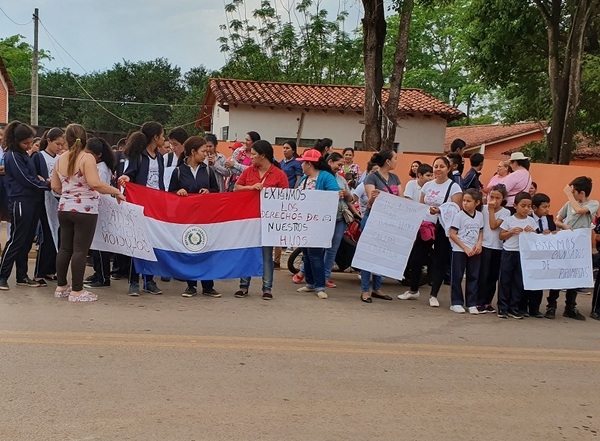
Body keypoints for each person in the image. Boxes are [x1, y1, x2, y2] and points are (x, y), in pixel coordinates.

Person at [51, 124, 125, 302]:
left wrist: (70, 193)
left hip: (64, 208)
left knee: (65, 248)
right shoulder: (87, 158)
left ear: (66, 140)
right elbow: (95, 183)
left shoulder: (60, 159)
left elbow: (55, 186)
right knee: (80, 250)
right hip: (85, 209)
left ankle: (61, 286)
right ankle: (77, 291)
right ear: (85, 139)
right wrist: (115, 191)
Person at [400, 157, 462, 305]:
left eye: (441, 166)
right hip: (426, 226)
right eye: (436, 166)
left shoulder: (454, 187)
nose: (438, 169)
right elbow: (422, 205)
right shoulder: (428, 186)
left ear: (448, 169)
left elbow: (456, 209)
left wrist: (440, 210)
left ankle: (434, 295)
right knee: (416, 258)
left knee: (439, 260)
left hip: (443, 228)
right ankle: (413, 290)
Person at [234, 140, 288, 300]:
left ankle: (267, 287)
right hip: (249, 220)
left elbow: (286, 197)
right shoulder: (249, 172)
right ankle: (243, 286)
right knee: (248, 252)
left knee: (266, 255)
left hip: (268, 221)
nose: (251, 157)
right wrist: (251, 188)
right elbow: (236, 187)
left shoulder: (279, 174)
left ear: (263, 156)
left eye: (254, 154)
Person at [0, 122, 50, 290]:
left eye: (30, 142)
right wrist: (47, 185)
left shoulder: (23, 155)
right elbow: (25, 179)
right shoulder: (12, 155)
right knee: (17, 239)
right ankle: (2, 275)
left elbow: (31, 175)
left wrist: (41, 180)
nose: (29, 146)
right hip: (20, 201)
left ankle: (22, 275)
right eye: (26, 143)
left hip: (32, 200)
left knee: (27, 240)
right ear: (16, 141)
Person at [118, 121, 166, 296]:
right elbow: (129, 174)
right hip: (139, 205)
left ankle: (149, 280)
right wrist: (126, 178)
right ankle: (133, 281)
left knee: (152, 243)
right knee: (136, 243)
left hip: (155, 205)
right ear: (155, 137)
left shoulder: (159, 156)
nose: (164, 138)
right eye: (162, 135)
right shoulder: (138, 155)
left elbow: (159, 181)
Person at [169, 136, 220, 298]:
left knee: (206, 250)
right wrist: (178, 192)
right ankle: (191, 285)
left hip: (205, 217)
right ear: (193, 152)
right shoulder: (178, 171)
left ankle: (208, 285)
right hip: (186, 218)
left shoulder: (208, 171)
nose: (206, 153)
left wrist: (209, 192)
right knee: (190, 249)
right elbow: (170, 193)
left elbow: (216, 191)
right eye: (203, 151)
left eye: (207, 150)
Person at [552, 176, 599, 320]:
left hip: (579, 246)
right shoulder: (568, 204)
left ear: (582, 193)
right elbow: (557, 219)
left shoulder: (593, 204)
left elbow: (579, 210)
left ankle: (570, 306)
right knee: (558, 274)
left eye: (574, 192)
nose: (572, 195)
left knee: (574, 276)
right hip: (565, 243)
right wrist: (564, 225)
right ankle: (551, 306)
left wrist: (568, 193)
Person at [295, 149, 340, 300]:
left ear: (309, 164)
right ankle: (310, 283)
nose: (301, 166)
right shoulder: (304, 179)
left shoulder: (326, 177)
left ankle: (319, 286)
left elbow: (335, 196)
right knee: (307, 254)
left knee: (315, 255)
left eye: (303, 163)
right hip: (304, 222)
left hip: (318, 224)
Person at [359, 149, 401, 303]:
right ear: (388, 162)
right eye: (395, 158)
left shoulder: (395, 178)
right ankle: (365, 290)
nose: (397, 161)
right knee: (368, 255)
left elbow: (400, 199)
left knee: (381, 255)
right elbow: (370, 202)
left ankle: (377, 287)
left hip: (388, 222)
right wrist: (373, 198)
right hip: (373, 219)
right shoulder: (371, 177)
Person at [32, 127, 66, 285]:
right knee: (46, 234)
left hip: (57, 200)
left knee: (57, 235)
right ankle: (39, 271)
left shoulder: (60, 159)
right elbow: (35, 178)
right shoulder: (39, 157)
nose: (60, 147)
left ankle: (50, 269)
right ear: (49, 141)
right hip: (44, 200)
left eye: (62, 145)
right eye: (57, 144)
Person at [497, 192, 537, 319]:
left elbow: (536, 238)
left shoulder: (531, 221)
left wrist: (532, 232)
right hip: (509, 252)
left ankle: (514, 307)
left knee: (518, 282)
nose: (526, 209)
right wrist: (511, 232)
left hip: (523, 254)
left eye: (528, 206)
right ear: (515, 205)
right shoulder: (509, 220)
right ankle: (502, 308)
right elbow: (501, 236)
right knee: (505, 280)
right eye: (523, 205)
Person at [83, 137, 116, 289]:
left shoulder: (101, 169)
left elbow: (98, 187)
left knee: (100, 244)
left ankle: (103, 276)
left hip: (100, 208)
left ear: (98, 155)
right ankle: (98, 273)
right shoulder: (101, 166)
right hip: (98, 207)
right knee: (95, 243)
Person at [324, 152, 357, 288]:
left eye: (342, 165)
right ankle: (305, 272)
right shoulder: (321, 177)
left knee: (333, 249)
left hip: (340, 217)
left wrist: (347, 194)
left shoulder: (341, 180)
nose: (340, 167)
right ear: (330, 162)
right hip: (323, 219)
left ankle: (325, 276)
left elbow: (350, 200)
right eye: (339, 164)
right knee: (318, 248)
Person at [449, 188, 484, 314]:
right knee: (457, 276)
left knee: (473, 276)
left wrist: (479, 243)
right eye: (464, 200)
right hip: (460, 250)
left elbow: (480, 231)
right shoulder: (459, 216)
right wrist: (464, 248)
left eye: (468, 201)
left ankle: (471, 303)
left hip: (474, 251)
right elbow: (452, 234)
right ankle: (456, 302)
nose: (465, 203)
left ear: (477, 203)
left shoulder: (479, 216)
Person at [476, 184, 510, 313]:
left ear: (503, 199)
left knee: (493, 275)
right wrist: (489, 210)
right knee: (483, 274)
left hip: (497, 247)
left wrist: (491, 211)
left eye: (498, 198)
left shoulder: (505, 212)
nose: (494, 200)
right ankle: (479, 300)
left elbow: (494, 225)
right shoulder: (482, 209)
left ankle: (488, 301)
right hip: (484, 245)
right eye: (492, 196)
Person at [523, 193, 557, 318]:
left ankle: (535, 308)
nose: (547, 210)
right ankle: (523, 306)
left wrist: (553, 233)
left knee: (539, 282)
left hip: (543, 255)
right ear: (535, 207)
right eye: (544, 207)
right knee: (528, 281)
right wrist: (539, 234)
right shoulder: (528, 218)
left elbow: (554, 233)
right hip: (530, 255)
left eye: (548, 207)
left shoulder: (549, 219)